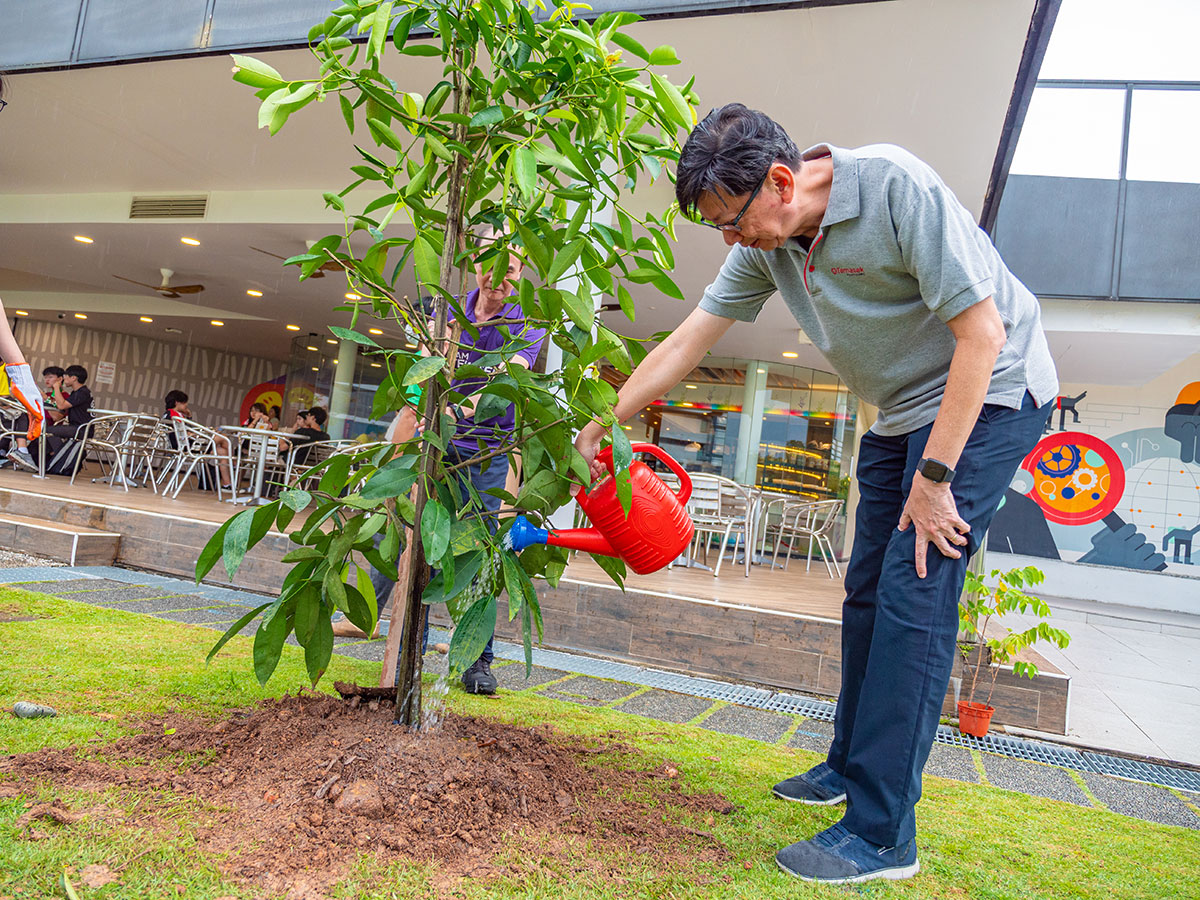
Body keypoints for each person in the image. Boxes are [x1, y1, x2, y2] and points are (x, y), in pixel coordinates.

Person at [573, 105, 1058, 884]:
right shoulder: (767, 244)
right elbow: (687, 338)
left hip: (992, 392)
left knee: (914, 591)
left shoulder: (896, 188)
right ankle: (846, 764)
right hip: (901, 410)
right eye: (718, 230)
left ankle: (881, 835)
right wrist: (603, 425)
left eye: (733, 222)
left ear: (779, 181)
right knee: (864, 591)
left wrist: (934, 484)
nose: (732, 242)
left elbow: (984, 335)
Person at [434, 226, 547, 695]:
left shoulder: (529, 323)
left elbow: (504, 381)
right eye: (489, 263)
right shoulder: (448, 310)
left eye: (510, 269)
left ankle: (476, 660)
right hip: (438, 448)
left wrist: (452, 410)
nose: (497, 277)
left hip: (488, 455)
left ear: (520, 274)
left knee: (483, 555)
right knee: (424, 542)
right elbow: (428, 367)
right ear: (473, 262)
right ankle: (409, 639)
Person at [18, 364, 95, 470]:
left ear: (73, 378)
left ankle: (58, 457)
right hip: (77, 427)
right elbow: (58, 404)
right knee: (46, 431)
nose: (64, 379)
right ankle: (52, 459)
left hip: (81, 429)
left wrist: (56, 387)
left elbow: (61, 405)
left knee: (47, 430)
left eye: (66, 376)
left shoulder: (82, 392)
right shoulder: (78, 392)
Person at [164, 389, 233, 490]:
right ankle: (235, 463)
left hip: (185, 444)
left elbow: (184, 431)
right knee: (224, 438)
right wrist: (201, 434)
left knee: (223, 452)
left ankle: (227, 484)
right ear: (177, 402)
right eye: (184, 402)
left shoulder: (169, 414)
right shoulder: (174, 415)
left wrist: (190, 418)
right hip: (186, 446)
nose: (186, 405)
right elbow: (185, 433)